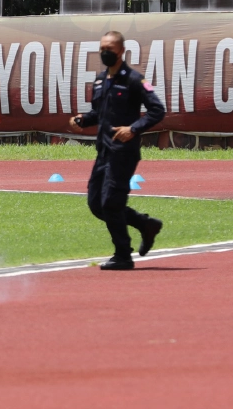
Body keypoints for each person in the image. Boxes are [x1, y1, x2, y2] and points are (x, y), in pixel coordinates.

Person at [69, 30, 165, 270]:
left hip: (123, 152)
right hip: (103, 151)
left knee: (111, 202)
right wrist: (84, 118)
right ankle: (145, 224)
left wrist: (134, 128)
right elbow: (100, 115)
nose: (105, 53)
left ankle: (123, 255)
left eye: (110, 49)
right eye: (102, 48)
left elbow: (157, 110)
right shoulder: (100, 80)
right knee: (96, 204)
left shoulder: (135, 79)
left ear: (121, 51)